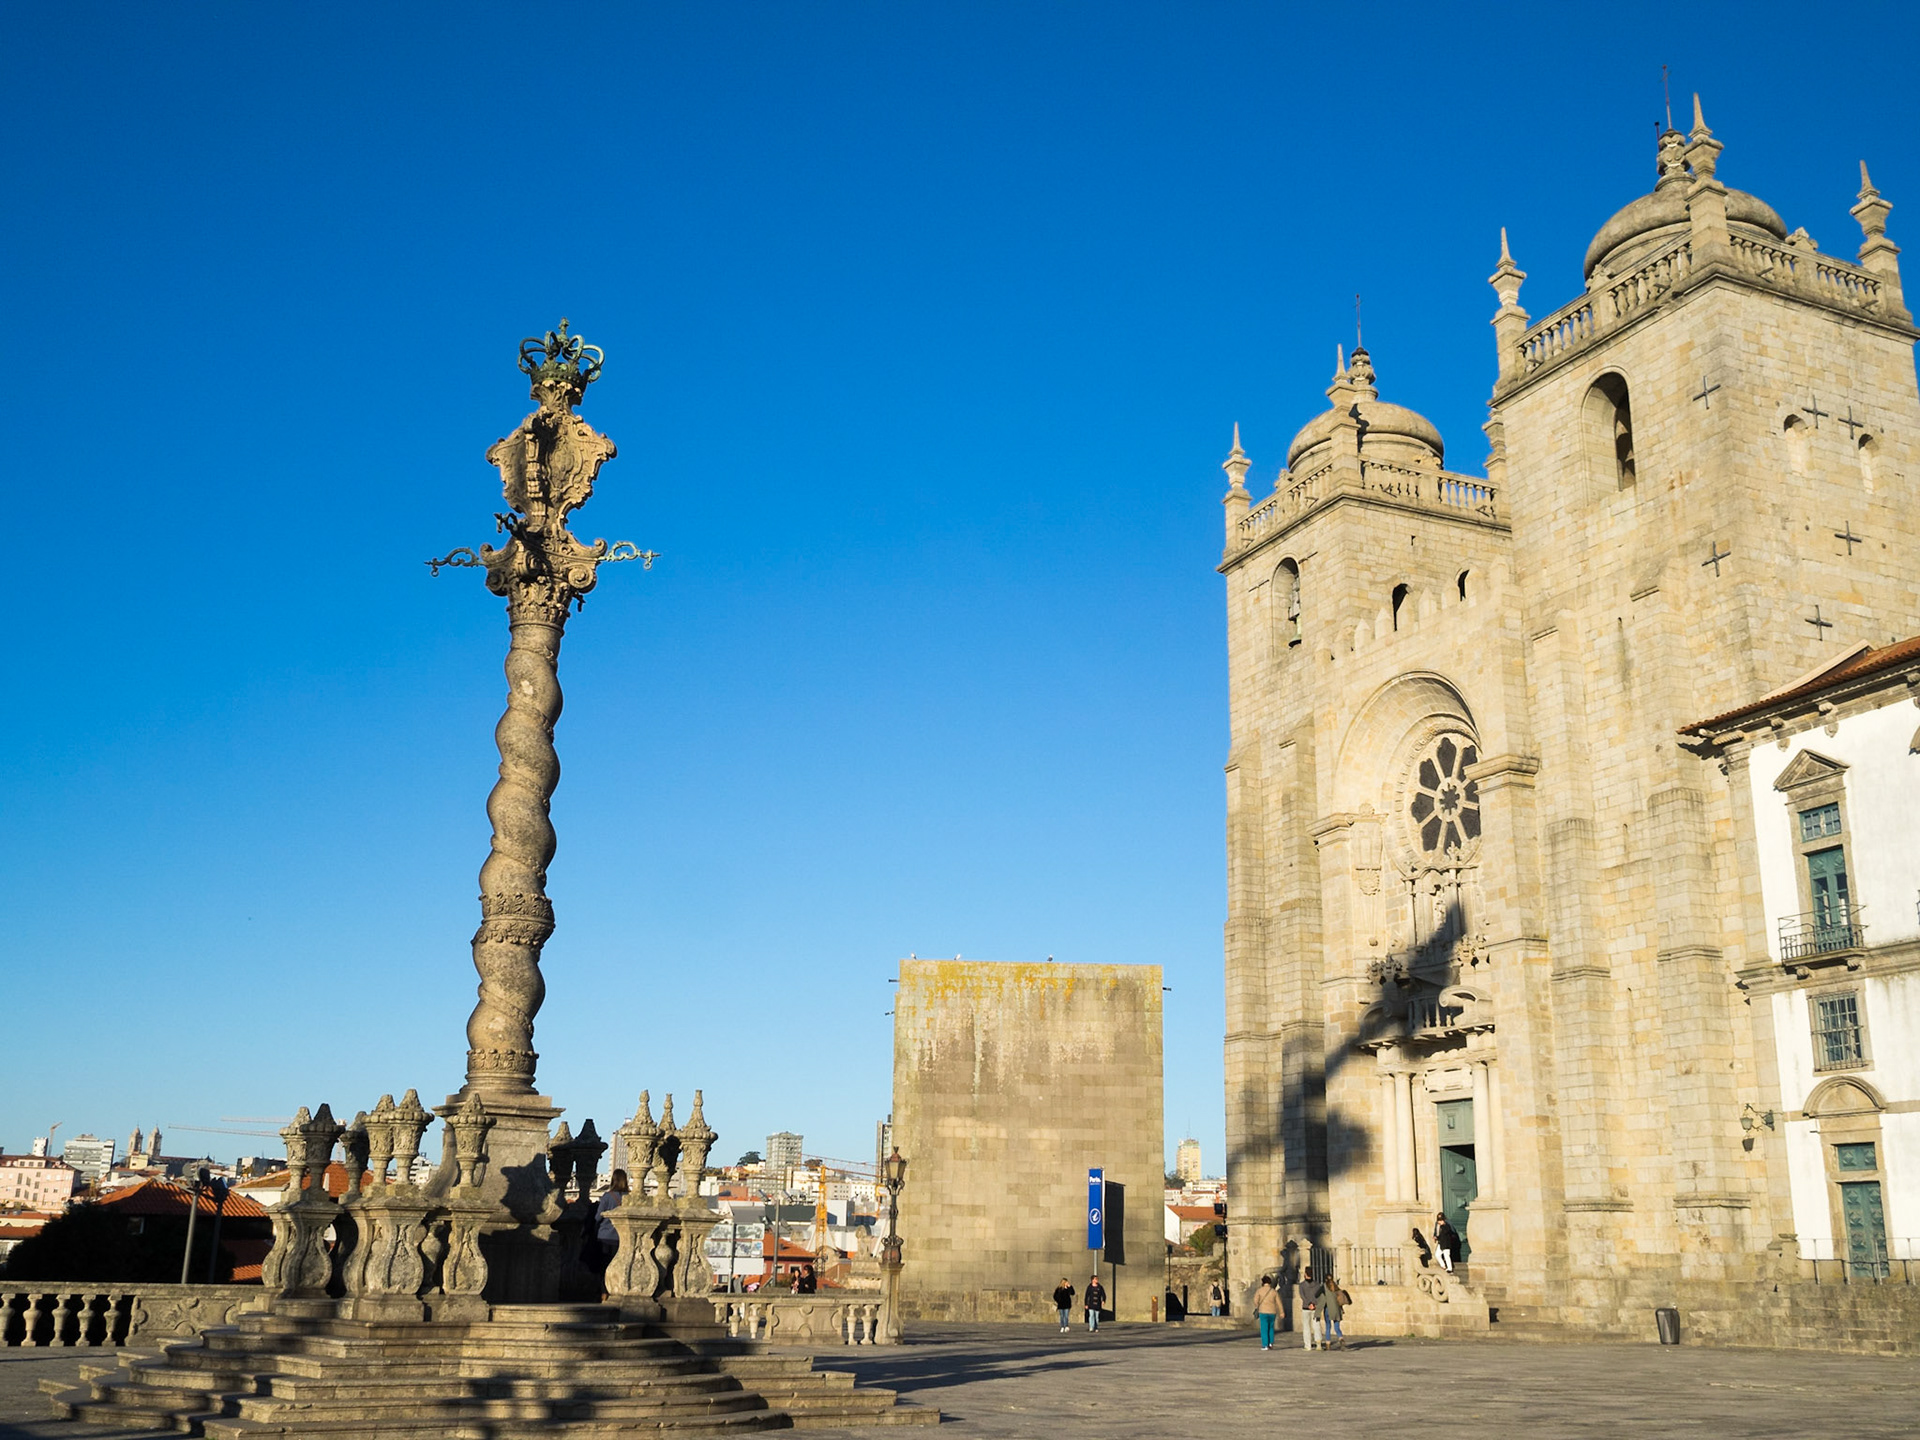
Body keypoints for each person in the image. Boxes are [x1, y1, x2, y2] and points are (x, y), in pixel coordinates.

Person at [1297, 1265, 1324, 1351]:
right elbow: (1320, 1296)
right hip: (1315, 1307)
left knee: (1306, 1326)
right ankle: (1318, 1344)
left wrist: (1309, 1303)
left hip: (1306, 1307)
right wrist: (1314, 1304)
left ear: (1305, 1274)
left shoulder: (1301, 1285)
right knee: (1317, 1325)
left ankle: (1307, 1345)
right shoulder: (1317, 1285)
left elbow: (1302, 1296)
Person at [1252, 1275, 1280, 1350]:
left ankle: (1265, 1344)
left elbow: (1255, 1300)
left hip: (1263, 1311)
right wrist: (1282, 1312)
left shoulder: (1259, 1291)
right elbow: (1279, 1302)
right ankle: (1271, 1343)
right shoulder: (1274, 1291)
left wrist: (1258, 1306)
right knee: (1271, 1328)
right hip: (1272, 1312)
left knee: (1264, 1328)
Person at [1321, 1276, 1348, 1350]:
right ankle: (1341, 1338)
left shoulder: (1324, 1288)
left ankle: (1328, 1344)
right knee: (1337, 1327)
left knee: (1328, 1327)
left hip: (1328, 1309)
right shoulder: (1336, 1288)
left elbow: (1318, 1295)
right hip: (1337, 1310)